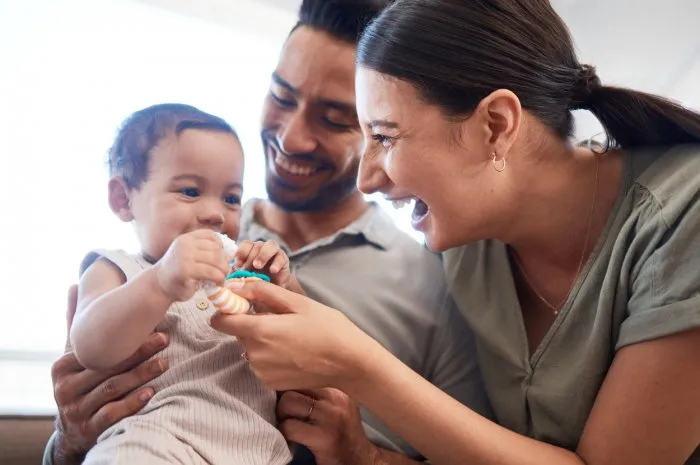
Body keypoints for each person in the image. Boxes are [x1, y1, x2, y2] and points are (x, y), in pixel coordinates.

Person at [208, 0, 700, 464]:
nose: (366, 180)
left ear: (495, 125)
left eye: (384, 136)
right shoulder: (465, 249)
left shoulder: (684, 214)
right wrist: (361, 453)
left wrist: (356, 363)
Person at [44, 1, 491, 464]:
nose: (292, 138)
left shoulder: (432, 285)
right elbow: (88, 390)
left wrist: (361, 454)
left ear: (380, 133)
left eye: (335, 118)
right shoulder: (172, 240)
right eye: (281, 97)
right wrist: (71, 439)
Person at [67, 102, 302, 465]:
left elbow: (304, 347)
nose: (215, 213)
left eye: (231, 198)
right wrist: (159, 283)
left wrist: (282, 289)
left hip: (259, 450)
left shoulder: (241, 276)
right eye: (190, 191)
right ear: (123, 198)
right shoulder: (117, 268)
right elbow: (90, 346)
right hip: (157, 441)